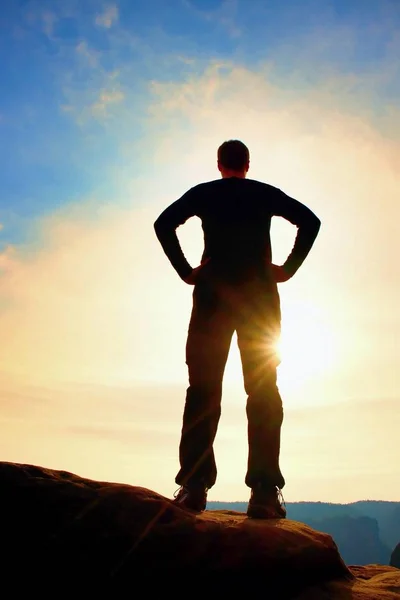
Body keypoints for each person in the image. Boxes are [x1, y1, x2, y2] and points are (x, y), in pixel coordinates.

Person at [154, 140, 321, 519]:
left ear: (219, 164)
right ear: (247, 163)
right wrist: (287, 268)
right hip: (260, 301)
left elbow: (163, 223)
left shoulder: (205, 193)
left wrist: (186, 271)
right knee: (263, 391)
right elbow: (310, 221)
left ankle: (194, 488)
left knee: (202, 391)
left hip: (212, 298)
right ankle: (263, 492)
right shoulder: (264, 193)